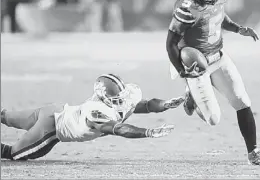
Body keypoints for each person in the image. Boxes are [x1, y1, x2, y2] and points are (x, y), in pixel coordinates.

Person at [166, 0, 260, 166]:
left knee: (242, 100)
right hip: (195, 65)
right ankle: (192, 94)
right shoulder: (187, 7)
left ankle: (254, 153)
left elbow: (218, 16)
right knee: (213, 119)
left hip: (218, 56)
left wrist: (238, 29)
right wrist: (183, 71)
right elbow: (170, 43)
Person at [1, 73, 183, 161]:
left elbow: (145, 104)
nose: (123, 102)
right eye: (117, 99)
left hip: (54, 110)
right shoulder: (96, 112)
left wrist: (165, 105)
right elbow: (119, 129)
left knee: (6, 117)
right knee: (14, 154)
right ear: (105, 97)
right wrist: (147, 132)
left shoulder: (120, 100)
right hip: (51, 127)